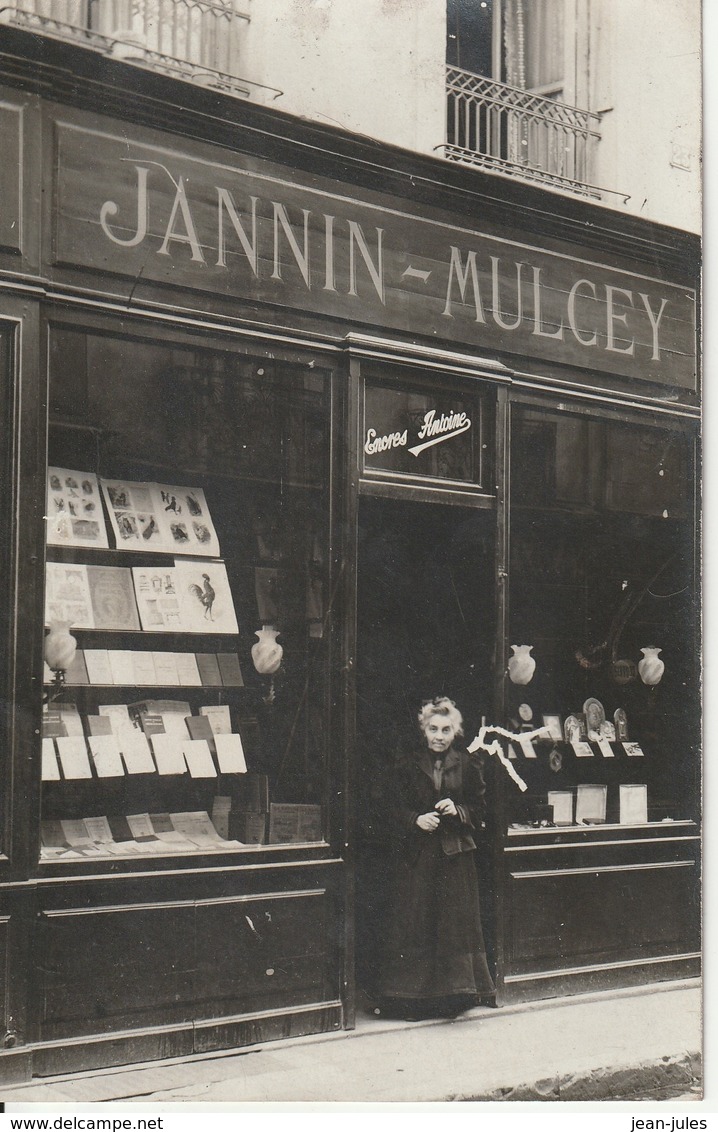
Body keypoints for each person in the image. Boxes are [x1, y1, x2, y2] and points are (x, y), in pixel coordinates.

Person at [375, 696, 495, 1019]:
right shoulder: (407, 764)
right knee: (417, 923)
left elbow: (481, 810)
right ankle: (413, 999)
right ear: (423, 730)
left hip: (455, 858)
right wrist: (415, 819)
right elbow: (388, 808)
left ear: (455, 732)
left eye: (445, 729)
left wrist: (458, 810)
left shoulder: (468, 764)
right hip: (419, 858)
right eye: (433, 729)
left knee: (452, 927)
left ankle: (453, 997)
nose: (438, 736)